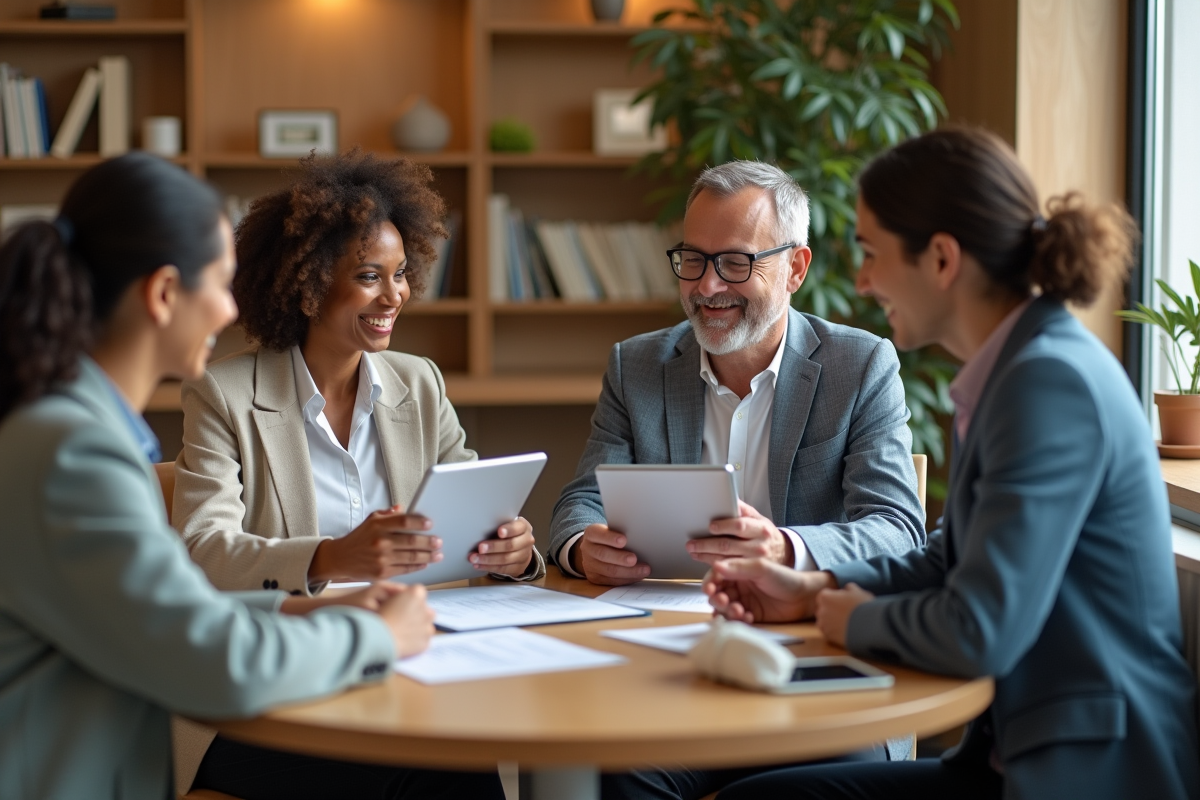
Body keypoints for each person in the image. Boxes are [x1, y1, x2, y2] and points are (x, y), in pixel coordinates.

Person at [707, 128, 1200, 800]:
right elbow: (948, 561)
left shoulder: (1047, 383)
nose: (861, 280)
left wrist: (848, 620)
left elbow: (980, 629)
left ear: (941, 259)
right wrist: (812, 588)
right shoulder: (1011, 373)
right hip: (1011, 756)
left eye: (873, 254)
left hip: (1088, 773)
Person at [0, 153, 502, 799]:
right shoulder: (75, 455)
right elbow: (204, 656)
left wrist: (297, 607)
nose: (229, 306)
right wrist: (369, 633)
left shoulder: (67, 430)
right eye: (220, 281)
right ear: (161, 294)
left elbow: (162, 613)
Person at [549, 160, 927, 798]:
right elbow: (580, 499)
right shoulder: (637, 364)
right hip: (670, 669)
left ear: (796, 269)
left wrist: (785, 549)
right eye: (692, 260)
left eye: (735, 263)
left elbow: (897, 530)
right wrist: (583, 544)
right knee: (617, 774)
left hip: (810, 667)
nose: (706, 286)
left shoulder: (858, 366)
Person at [170, 150, 541, 794]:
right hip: (266, 691)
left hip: (404, 662)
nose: (394, 296)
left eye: (400, 275)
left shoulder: (418, 383)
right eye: (370, 276)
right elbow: (204, 553)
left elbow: (474, 504)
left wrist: (510, 549)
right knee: (420, 766)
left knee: (460, 757)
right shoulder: (224, 394)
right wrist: (332, 557)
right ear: (307, 283)